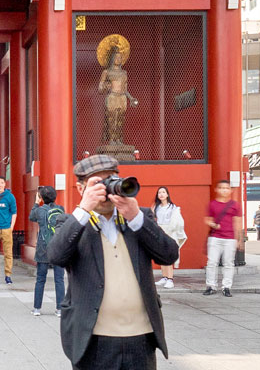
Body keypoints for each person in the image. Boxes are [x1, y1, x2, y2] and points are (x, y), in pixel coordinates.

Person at [47, 154, 179, 370]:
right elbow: (56, 256)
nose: (106, 190)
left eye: (111, 181)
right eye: (97, 183)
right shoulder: (72, 222)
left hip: (141, 336)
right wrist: (83, 209)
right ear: (81, 189)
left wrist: (136, 217)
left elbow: (169, 255)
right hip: (93, 339)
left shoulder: (139, 217)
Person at [29, 185, 65, 317]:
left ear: (42, 197)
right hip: (58, 246)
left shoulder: (39, 210)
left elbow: (31, 217)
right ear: (55, 197)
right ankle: (60, 309)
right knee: (59, 279)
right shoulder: (60, 209)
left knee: (40, 279)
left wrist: (36, 202)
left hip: (43, 247)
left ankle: (37, 308)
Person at [203, 179, 242, 297]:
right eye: (221, 188)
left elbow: (238, 223)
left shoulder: (235, 205)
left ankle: (226, 287)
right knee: (212, 262)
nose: (224, 190)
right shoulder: (212, 204)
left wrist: (239, 239)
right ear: (217, 189)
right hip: (215, 237)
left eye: (226, 188)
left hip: (230, 238)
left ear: (230, 190)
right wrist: (214, 225)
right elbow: (207, 219)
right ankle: (211, 286)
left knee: (228, 263)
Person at [151, 186, 187, 289]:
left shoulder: (173, 208)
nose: (161, 194)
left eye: (163, 192)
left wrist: (171, 230)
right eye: (159, 193)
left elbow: (178, 222)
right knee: (161, 256)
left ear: (167, 194)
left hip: (170, 233)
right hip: (159, 232)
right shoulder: (155, 207)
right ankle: (164, 277)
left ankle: (170, 279)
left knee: (168, 256)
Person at [0, 175, 17, 284]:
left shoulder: (10, 197)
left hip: (6, 228)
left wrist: (12, 226)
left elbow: (14, 212)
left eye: (2, 183)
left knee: (8, 253)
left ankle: (8, 275)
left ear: (5, 184)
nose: (0, 185)